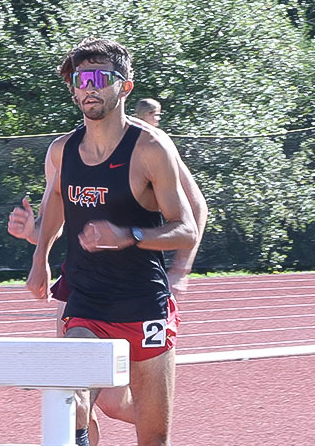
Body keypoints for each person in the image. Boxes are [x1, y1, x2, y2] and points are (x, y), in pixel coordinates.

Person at [22, 39, 198, 446]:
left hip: (144, 305)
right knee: (73, 399)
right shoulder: (63, 150)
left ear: (125, 86)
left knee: (153, 436)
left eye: (100, 77)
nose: (88, 87)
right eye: (80, 79)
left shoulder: (150, 149)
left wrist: (129, 236)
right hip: (87, 303)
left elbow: (186, 228)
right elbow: (56, 205)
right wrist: (39, 259)